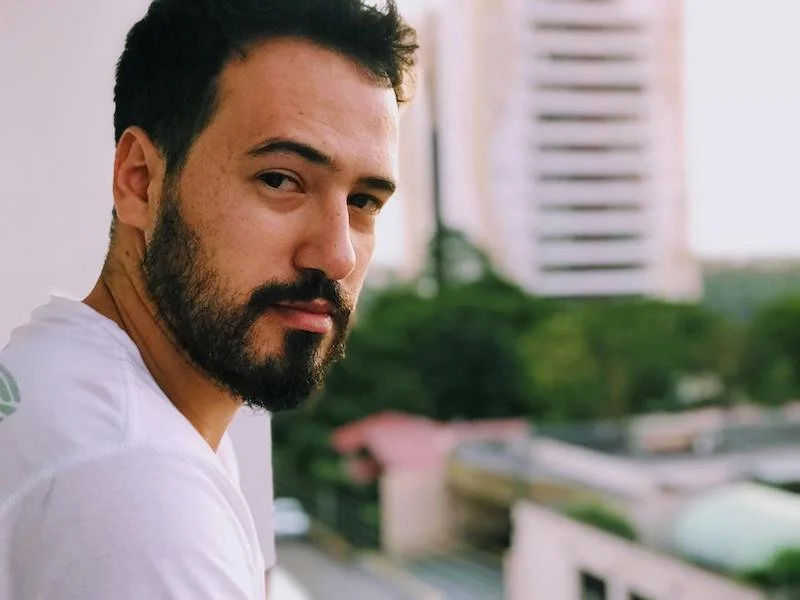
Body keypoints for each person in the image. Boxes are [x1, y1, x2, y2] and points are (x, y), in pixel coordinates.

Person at [0, 0, 417, 598]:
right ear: (139, 180)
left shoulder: (55, 372)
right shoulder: (133, 489)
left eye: (364, 202)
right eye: (280, 179)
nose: (338, 256)